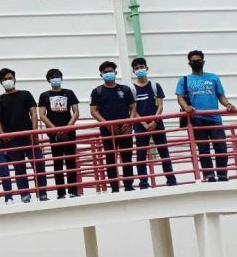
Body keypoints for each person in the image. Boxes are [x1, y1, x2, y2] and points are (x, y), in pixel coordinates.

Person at [176, 50, 236, 182]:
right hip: (196, 119)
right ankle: (209, 176)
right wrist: (186, 107)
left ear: (203, 61)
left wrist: (228, 104)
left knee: (221, 147)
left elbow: (221, 95)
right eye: (193, 61)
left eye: (198, 61)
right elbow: (180, 97)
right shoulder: (184, 80)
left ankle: (222, 175)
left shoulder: (213, 77)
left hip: (215, 118)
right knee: (203, 149)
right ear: (189, 63)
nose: (196, 63)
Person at [0, 68, 41, 202]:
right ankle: (25, 195)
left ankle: (42, 193)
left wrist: (34, 131)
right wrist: (2, 134)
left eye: (10, 78)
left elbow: (33, 113)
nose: (8, 81)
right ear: (1, 82)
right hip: (12, 140)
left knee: (38, 164)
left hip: (29, 136)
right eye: (5, 79)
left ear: (14, 79)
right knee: (19, 169)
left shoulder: (25, 94)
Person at [90, 62, 137, 192]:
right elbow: (93, 111)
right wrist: (106, 124)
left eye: (110, 71)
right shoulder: (97, 91)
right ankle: (114, 188)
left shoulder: (125, 89)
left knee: (127, 158)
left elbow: (133, 107)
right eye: (105, 72)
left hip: (125, 129)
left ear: (115, 73)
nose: (108, 74)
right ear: (101, 74)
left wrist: (129, 122)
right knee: (110, 159)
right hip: (107, 131)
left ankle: (129, 186)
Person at [131, 58, 178, 188]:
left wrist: (154, 121)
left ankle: (171, 180)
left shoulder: (155, 86)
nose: (140, 70)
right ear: (133, 71)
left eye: (142, 67)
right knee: (141, 155)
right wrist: (144, 124)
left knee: (164, 152)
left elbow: (160, 106)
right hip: (140, 126)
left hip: (157, 124)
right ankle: (143, 183)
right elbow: (133, 110)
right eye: (137, 68)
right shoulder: (132, 89)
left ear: (146, 68)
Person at [38, 70, 81, 198]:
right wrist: (55, 129)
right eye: (52, 77)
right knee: (57, 163)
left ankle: (73, 191)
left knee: (71, 162)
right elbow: (42, 115)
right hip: (54, 134)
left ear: (62, 78)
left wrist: (67, 128)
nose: (55, 79)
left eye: (57, 76)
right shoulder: (44, 95)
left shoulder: (69, 93)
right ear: (48, 80)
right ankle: (60, 193)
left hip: (69, 132)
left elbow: (76, 112)